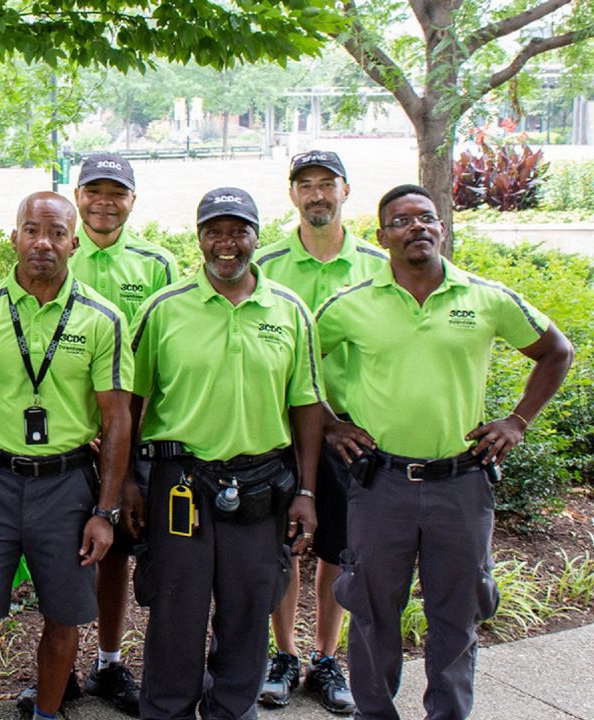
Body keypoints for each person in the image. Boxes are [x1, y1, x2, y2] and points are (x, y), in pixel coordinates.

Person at [317, 184, 572, 720]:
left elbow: (556, 351)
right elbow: (295, 364)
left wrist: (517, 422)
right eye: (403, 221)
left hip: (461, 483)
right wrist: (331, 426)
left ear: (441, 228)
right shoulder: (350, 305)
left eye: (427, 218)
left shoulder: (485, 297)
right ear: (383, 235)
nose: (418, 227)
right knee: (370, 613)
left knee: (458, 616)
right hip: (379, 483)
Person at [128, 187, 321, 720]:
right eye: (215, 231)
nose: (227, 243)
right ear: (199, 238)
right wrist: (125, 480)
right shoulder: (163, 310)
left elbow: (306, 405)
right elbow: (129, 403)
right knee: (175, 611)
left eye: (239, 230)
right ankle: (166, 710)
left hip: (261, 486)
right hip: (180, 485)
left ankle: (233, 710)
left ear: (257, 236)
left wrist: (306, 490)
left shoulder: (289, 310)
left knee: (248, 608)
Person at [0, 191, 132, 720]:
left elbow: (116, 421)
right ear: (14, 237)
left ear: (73, 242)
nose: (42, 243)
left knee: (63, 618)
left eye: (55, 234)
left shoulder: (102, 318)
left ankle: (49, 713)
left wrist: (104, 512)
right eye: (31, 230)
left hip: (67, 485)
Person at [253, 150, 386, 715]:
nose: (316, 195)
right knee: (283, 547)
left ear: (345, 190)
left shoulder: (380, 265)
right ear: (292, 196)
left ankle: (326, 659)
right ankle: (283, 655)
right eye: (304, 185)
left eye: (326, 184)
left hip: (348, 436)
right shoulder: (266, 263)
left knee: (338, 549)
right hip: (276, 430)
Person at [51, 152, 179, 716]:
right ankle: (57, 670)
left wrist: (127, 452)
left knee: (114, 553)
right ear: (77, 196)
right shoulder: (55, 251)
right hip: (60, 436)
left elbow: (160, 363)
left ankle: (106, 661)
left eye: (117, 193)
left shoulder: (155, 264)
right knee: (59, 554)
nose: (105, 203)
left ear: (133, 199)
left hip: (125, 435)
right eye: (94, 191)